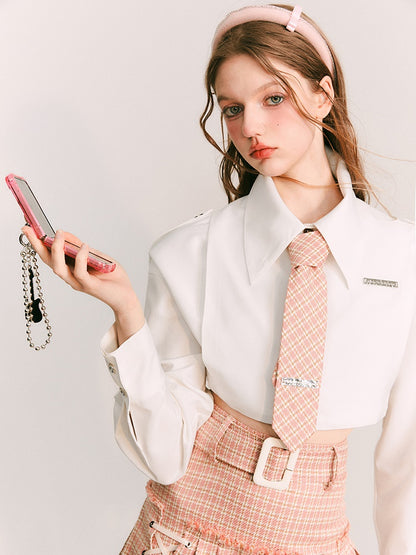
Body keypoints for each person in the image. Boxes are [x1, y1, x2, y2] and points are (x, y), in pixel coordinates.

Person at [21, 4, 416, 555]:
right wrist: (128, 314)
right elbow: (165, 456)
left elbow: (406, 461)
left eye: (272, 98)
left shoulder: (402, 258)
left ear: (323, 97)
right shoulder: (188, 252)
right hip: (185, 536)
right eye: (232, 109)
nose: (250, 127)